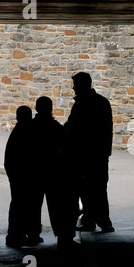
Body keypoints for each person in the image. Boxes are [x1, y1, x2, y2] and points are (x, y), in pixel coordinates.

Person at [64, 72, 114, 233]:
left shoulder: (82, 105)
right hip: (98, 154)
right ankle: (101, 221)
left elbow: (73, 128)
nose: (74, 89)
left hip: (85, 154)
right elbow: (107, 130)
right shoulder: (102, 102)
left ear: (83, 85)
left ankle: (91, 221)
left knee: (87, 189)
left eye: (76, 85)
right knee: (98, 189)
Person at [31, 96, 78, 249]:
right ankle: (63, 236)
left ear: (37, 108)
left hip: (36, 171)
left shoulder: (31, 127)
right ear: (50, 109)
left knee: (33, 204)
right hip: (54, 171)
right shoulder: (55, 127)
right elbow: (67, 146)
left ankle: (32, 234)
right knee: (57, 205)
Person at [5, 105, 34, 247]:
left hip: (16, 174)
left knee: (18, 204)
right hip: (22, 175)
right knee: (21, 205)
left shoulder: (18, 131)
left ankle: (16, 235)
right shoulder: (26, 132)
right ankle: (16, 236)